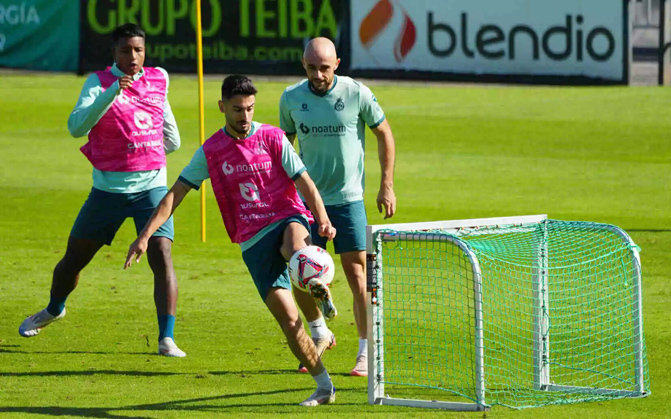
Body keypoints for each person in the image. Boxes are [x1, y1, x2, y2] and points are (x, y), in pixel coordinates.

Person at [125, 75, 337, 406]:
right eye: (238, 109)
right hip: (252, 240)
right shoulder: (211, 151)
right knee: (287, 319)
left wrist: (321, 218)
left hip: (286, 217)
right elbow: (175, 194)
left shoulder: (272, 137)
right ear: (222, 107)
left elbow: (305, 182)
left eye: (251, 108)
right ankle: (324, 386)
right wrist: (144, 236)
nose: (245, 116)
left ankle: (319, 308)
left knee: (297, 251)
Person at [18, 23, 185, 357]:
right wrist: (112, 94)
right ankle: (54, 308)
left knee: (162, 257)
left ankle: (166, 338)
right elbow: (76, 127)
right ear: (114, 53)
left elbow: (172, 138)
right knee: (74, 260)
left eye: (138, 49)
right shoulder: (98, 83)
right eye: (125, 50)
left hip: (151, 188)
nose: (133, 56)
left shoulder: (159, 78)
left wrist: (143, 153)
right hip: (107, 191)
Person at [279, 37, 397, 377]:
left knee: (358, 274)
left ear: (338, 63)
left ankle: (364, 352)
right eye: (312, 68)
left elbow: (384, 133)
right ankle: (321, 332)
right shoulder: (291, 98)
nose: (318, 75)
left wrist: (386, 185)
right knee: (299, 273)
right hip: (307, 203)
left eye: (325, 68)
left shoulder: (356, 92)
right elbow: (285, 148)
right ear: (304, 64)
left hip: (348, 201)